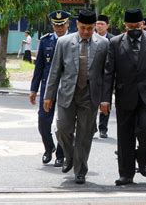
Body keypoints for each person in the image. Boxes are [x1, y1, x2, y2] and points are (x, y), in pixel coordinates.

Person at [102, 8, 146, 186]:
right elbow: (109, 72)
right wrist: (105, 98)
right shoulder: (115, 42)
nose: (134, 29)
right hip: (125, 95)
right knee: (124, 137)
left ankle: (143, 156)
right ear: (125, 26)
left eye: (137, 26)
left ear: (142, 25)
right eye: (130, 26)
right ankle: (126, 174)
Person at [43, 10, 108, 184]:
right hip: (67, 94)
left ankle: (80, 170)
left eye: (90, 28)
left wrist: (105, 98)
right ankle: (70, 156)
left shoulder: (103, 44)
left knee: (84, 135)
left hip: (90, 95)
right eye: (83, 28)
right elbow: (55, 70)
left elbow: (107, 74)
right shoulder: (64, 42)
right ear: (76, 25)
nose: (86, 31)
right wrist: (48, 96)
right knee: (62, 129)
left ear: (94, 27)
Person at [30, 10, 70, 167]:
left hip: (66, 89)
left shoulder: (74, 41)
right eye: (56, 25)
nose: (59, 28)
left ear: (68, 24)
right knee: (43, 122)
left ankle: (61, 154)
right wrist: (33, 89)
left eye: (62, 25)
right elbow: (39, 67)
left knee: (64, 124)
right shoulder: (46, 41)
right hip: (48, 88)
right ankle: (49, 147)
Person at [95, 14, 114, 139]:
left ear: (107, 26)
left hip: (108, 76)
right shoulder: (90, 37)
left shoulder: (113, 40)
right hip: (94, 75)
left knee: (105, 102)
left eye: (102, 24)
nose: (99, 26)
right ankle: (91, 126)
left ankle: (103, 128)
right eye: (97, 24)